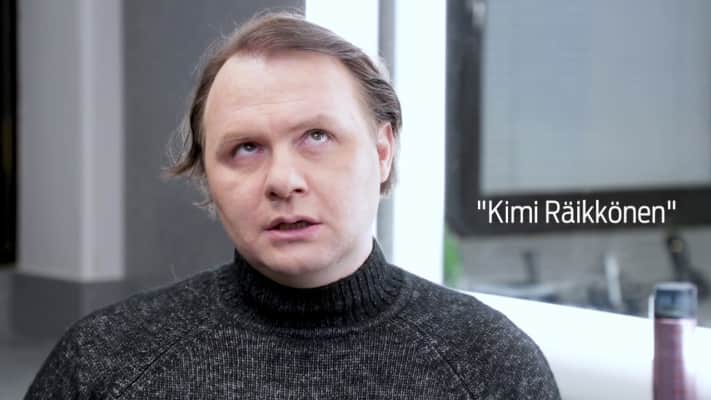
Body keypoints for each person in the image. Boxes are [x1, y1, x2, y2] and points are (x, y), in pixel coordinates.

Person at [26, 11, 560, 399]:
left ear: (382, 151)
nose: (282, 181)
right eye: (246, 148)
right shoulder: (106, 362)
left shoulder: (488, 365)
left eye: (317, 137)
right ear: (207, 175)